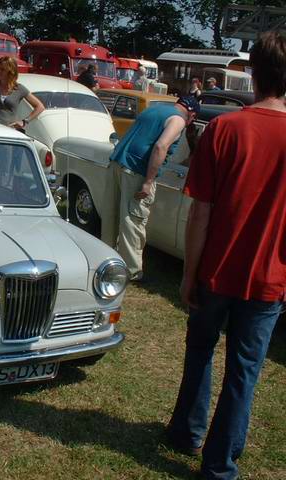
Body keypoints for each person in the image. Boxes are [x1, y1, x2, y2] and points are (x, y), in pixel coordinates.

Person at [166, 31, 286, 480]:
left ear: (252, 72)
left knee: (200, 352)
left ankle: (188, 433)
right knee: (244, 373)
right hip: (270, 279)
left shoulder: (225, 128)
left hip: (216, 271)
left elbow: (201, 213)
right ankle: (219, 463)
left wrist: (188, 274)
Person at [101, 96, 199, 281]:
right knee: (133, 219)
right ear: (191, 115)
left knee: (111, 215)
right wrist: (148, 181)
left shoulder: (154, 109)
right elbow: (161, 146)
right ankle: (132, 271)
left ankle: (107, 259)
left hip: (116, 163)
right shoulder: (178, 120)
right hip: (137, 170)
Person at [0, 56, 44, 130]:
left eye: (2, 69)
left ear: (11, 72)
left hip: (10, 131)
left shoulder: (19, 89)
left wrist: (24, 121)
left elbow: (40, 106)